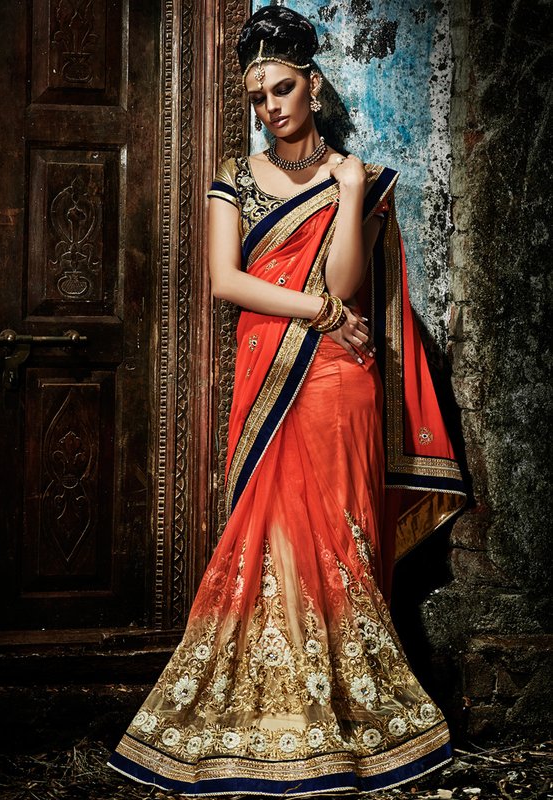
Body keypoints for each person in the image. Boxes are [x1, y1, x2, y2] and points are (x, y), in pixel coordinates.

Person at [108, 5, 465, 796]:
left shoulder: (355, 177)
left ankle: (341, 718)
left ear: (313, 86)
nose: (271, 106)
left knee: (339, 539)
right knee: (268, 533)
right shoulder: (233, 179)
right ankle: (268, 715)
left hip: (340, 383)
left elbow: (346, 282)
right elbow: (226, 282)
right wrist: (319, 313)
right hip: (274, 373)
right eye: (258, 95)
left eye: (283, 88)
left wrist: (347, 194)